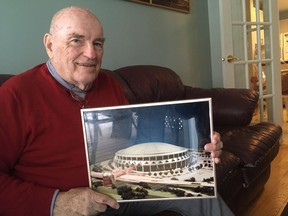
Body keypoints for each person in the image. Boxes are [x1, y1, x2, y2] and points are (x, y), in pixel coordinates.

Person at [0, 6, 234, 216]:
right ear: (50, 45)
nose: (91, 54)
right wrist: (58, 202)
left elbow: (132, 141)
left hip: (122, 189)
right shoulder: (15, 95)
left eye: (98, 43)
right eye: (76, 40)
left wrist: (199, 148)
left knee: (202, 196)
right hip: (69, 210)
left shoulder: (109, 84)